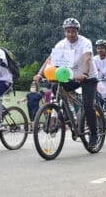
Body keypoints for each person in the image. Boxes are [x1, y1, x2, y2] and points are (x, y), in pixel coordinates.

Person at [33, 18, 99, 149]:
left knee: (88, 105)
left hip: (88, 77)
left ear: (77, 31)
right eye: (68, 31)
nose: (70, 34)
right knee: (54, 86)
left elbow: (86, 59)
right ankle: (65, 114)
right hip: (71, 76)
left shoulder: (85, 42)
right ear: (65, 32)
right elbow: (50, 60)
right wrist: (40, 74)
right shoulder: (61, 45)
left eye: (73, 31)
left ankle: (94, 134)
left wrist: (85, 74)